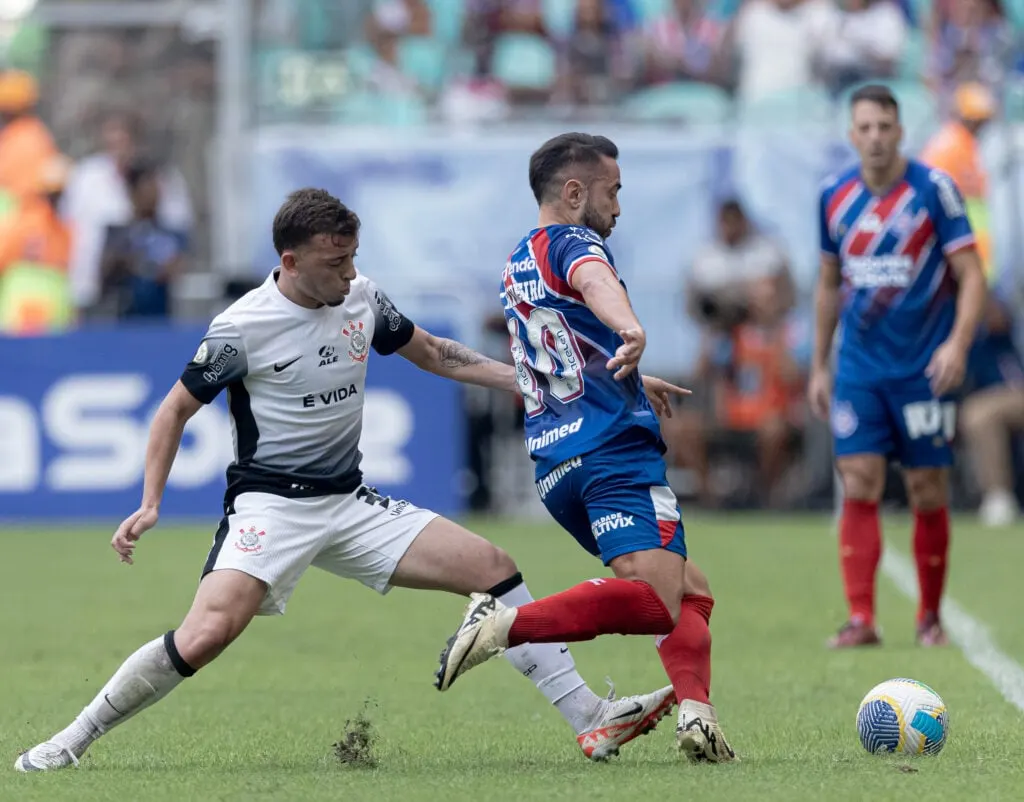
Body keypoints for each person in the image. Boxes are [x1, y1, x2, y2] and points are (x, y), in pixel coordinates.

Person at [15, 188, 674, 773]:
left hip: (348, 502)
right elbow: (172, 411)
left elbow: (438, 353)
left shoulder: (361, 298)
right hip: (270, 508)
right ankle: (71, 739)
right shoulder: (241, 330)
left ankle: (590, 717)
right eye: (336, 262)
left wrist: (561, 385)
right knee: (206, 635)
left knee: (493, 566)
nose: (351, 273)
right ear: (290, 261)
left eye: (354, 257)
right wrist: (150, 502)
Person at [433, 133, 737, 763]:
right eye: (612, 191)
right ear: (574, 192)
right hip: (613, 452)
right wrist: (631, 327)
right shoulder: (575, 243)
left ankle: (696, 716)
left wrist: (629, 372)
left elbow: (563, 346)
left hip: (556, 462)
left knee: (688, 585)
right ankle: (503, 625)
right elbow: (596, 282)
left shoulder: (518, 260)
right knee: (656, 600)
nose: (618, 207)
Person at [808, 84, 986, 649]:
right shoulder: (833, 196)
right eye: (866, 127)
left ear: (900, 131)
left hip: (923, 365)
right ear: (851, 134)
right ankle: (862, 618)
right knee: (859, 478)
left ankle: (929, 617)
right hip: (860, 366)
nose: (876, 137)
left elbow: (972, 274)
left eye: (885, 126)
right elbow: (829, 283)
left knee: (926, 488)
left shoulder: (935, 190)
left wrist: (957, 345)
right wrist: (818, 364)